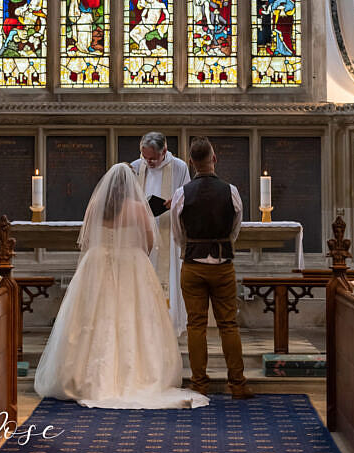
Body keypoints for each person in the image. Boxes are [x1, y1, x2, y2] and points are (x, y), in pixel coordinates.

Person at [33, 163, 207, 409]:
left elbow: (87, 239)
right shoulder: (138, 208)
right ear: (130, 188)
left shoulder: (95, 206)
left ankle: (83, 376)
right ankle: (136, 375)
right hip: (131, 264)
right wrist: (135, 257)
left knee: (95, 318)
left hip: (97, 264)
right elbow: (149, 241)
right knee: (131, 318)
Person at [171, 137, 254, 399]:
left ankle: (199, 383)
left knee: (196, 325)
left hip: (193, 265)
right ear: (214, 159)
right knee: (228, 324)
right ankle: (238, 385)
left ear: (191, 163)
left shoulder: (182, 193)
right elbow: (235, 227)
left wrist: (191, 246)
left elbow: (177, 231)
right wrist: (223, 244)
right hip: (222, 266)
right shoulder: (231, 191)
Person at [131, 132, 190, 335]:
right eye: (144, 157)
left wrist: (176, 203)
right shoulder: (136, 167)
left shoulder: (180, 167)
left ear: (164, 151)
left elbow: (188, 199)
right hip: (140, 234)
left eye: (153, 158)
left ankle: (168, 326)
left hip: (168, 235)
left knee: (167, 279)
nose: (148, 162)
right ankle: (142, 325)